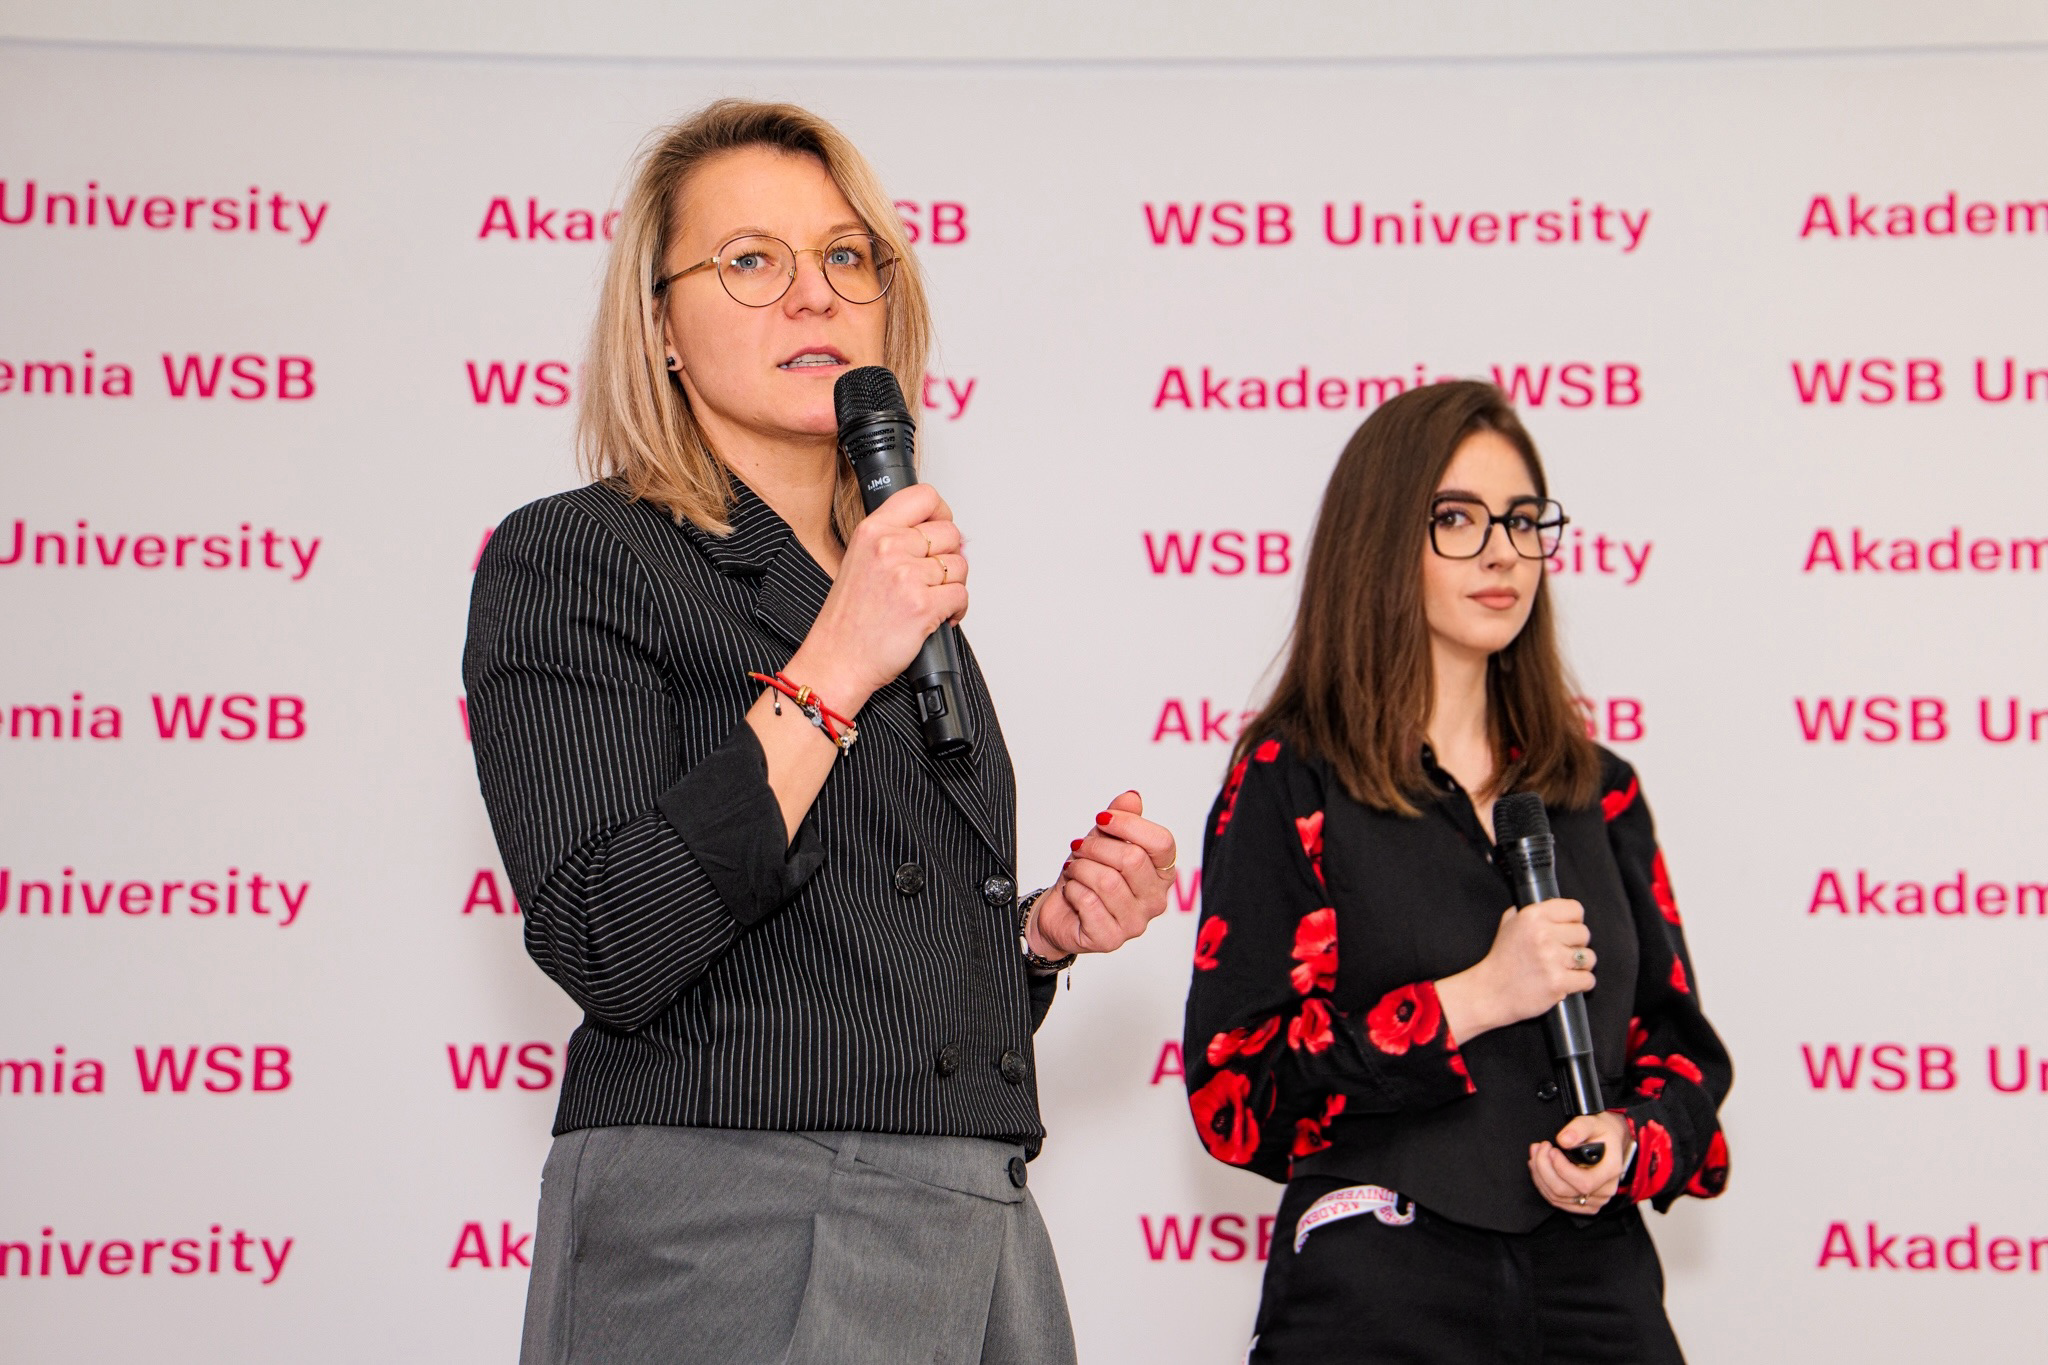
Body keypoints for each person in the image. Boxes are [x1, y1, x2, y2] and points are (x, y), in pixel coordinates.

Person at [463, 99, 1176, 1365]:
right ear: (658, 326)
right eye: (750, 260)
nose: (814, 294)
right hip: (731, 1217)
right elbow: (606, 939)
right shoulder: (580, 554)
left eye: (848, 257)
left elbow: (846, 961)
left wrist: (1032, 938)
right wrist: (836, 663)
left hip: (972, 1216)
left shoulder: (875, 577)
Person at [1181, 381, 1730, 1363]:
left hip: (1593, 1284)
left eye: (1522, 520)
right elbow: (1238, 1089)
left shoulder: (1598, 790)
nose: (1501, 552)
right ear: (1379, 539)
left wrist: (1627, 1140)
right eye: (1456, 519)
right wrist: (1473, 997)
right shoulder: (1293, 776)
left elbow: (1683, 1055)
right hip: (1376, 1283)